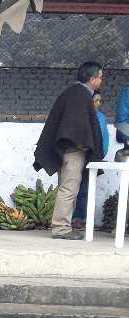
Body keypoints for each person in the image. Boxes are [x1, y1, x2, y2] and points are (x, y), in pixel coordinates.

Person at [33, 61, 104, 240]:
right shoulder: (79, 94)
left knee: (68, 188)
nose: (102, 80)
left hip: (68, 151)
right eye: (100, 77)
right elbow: (76, 128)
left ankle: (64, 226)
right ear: (91, 78)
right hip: (73, 152)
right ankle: (61, 229)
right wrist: (85, 145)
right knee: (68, 189)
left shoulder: (77, 93)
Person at [73, 90, 110, 230]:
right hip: (81, 155)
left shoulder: (101, 116)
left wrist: (102, 153)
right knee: (75, 189)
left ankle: (81, 219)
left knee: (86, 189)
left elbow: (105, 137)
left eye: (100, 100)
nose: (99, 103)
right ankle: (74, 218)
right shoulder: (81, 116)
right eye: (96, 100)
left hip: (94, 157)